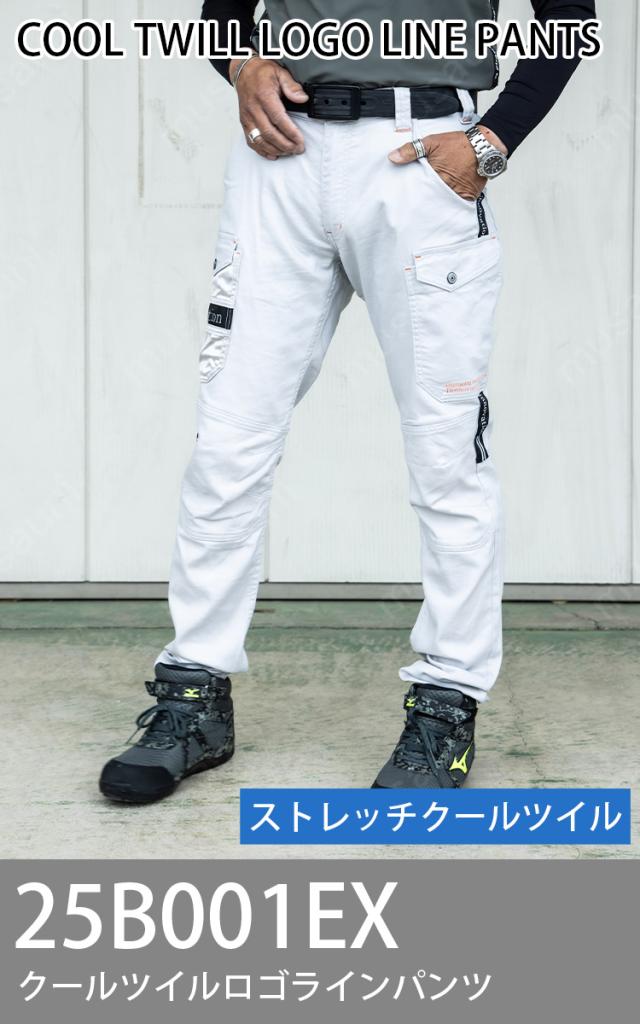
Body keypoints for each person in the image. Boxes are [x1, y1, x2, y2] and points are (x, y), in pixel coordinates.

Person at [100, 0, 596, 804]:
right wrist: (241, 64)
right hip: (282, 159)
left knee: (446, 453)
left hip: (423, 154)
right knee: (228, 439)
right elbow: (223, 9)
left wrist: (493, 140)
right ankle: (193, 695)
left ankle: (446, 703)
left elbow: (570, 14)